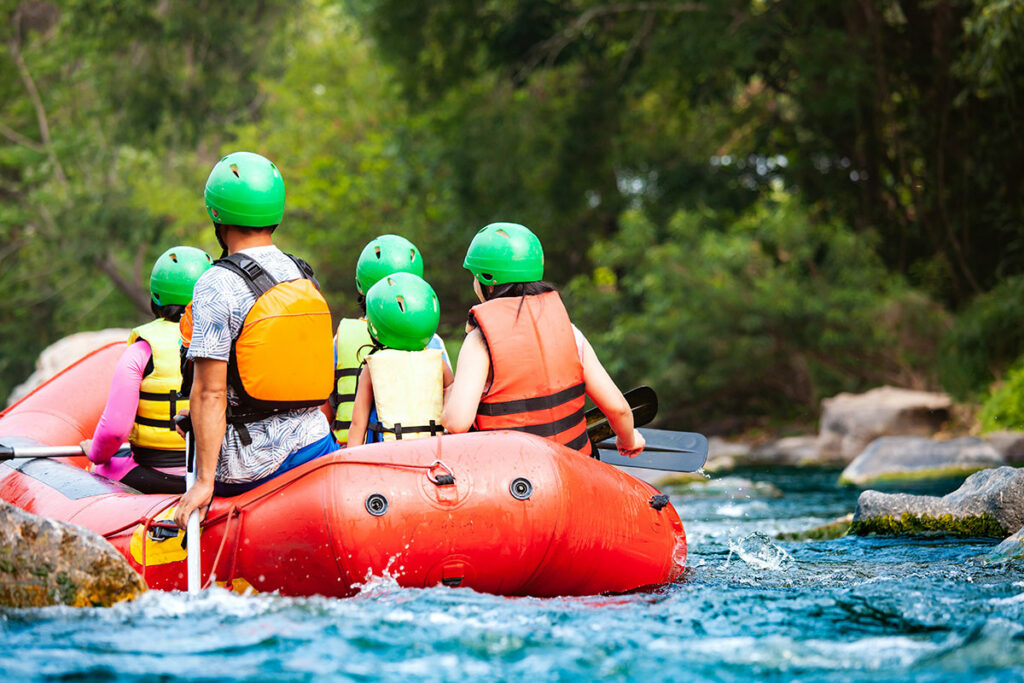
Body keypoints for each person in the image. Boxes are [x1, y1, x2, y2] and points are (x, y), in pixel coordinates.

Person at [174, 151, 336, 529]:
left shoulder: (215, 284)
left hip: (250, 467)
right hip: (316, 446)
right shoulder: (301, 273)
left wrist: (203, 482)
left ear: (216, 213)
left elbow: (209, 393)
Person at [441, 222, 645, 457]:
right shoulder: (569, 331)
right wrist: (627, 438)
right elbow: (619, 409)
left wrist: (447, 401)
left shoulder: (480, 340)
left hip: (513, 479)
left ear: (486, 280)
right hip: (573, 465)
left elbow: (457, 423)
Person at [82, 246, 212, 493]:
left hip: (156, 472)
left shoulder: (142, 351)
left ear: (156, 297)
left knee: (99, 470)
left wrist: (96, 454)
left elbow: (114, 431)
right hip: (214, 474)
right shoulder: (226, 341)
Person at [329, 234, 450, 445]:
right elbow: (453, 404)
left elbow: (350, 421)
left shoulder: (346, 342)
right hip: (430, 450)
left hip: (375, 450)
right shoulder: (435, 349)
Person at [347, 272, 454, 445]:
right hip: (433, 449)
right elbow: (452, 390)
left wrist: (349, 465)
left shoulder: (373, 367)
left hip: (388, 453)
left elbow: (358, 425)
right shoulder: (438, 362)